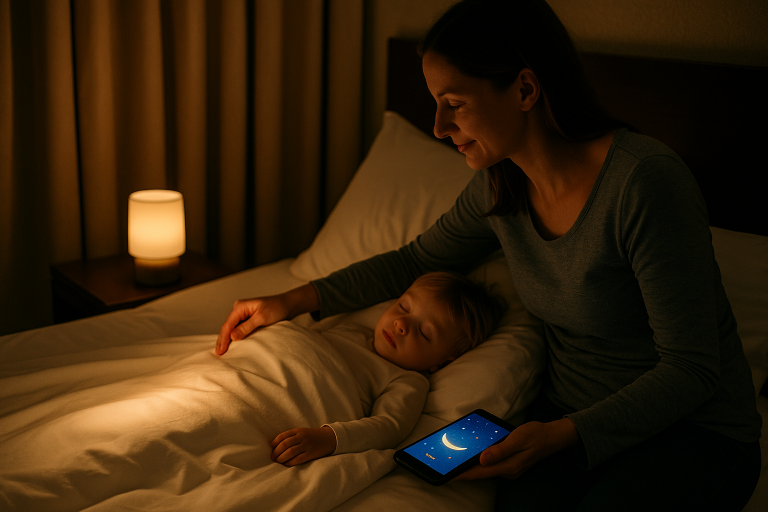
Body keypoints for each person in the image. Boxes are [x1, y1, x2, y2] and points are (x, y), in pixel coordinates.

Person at [218, 0, 762, 509]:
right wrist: (291, 299)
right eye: (435, 105)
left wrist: (563, 436)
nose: (438, 128)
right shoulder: (500, 187)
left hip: (691, 430)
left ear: (525, 88)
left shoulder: (643, 184)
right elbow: (413, 261)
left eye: (453, 105)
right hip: (564, 422)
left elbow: (691, 369)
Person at [220, 271, 502, 467]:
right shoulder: (354, 330)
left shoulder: (408, 381)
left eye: (425, 333)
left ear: (442, 362)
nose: (401, 324)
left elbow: (389, 427)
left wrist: (329, 438)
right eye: (403, 306)